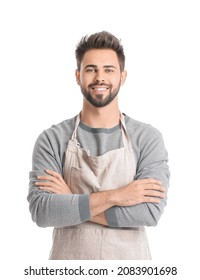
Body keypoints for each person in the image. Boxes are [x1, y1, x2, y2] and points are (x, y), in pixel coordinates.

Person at [27, 31, 170, 260]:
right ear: (78, 76)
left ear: (122, 77)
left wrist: (71, 199)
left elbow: (149, 212)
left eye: (108, 70)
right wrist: (119, 195)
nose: (99, 77)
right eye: (91, 69)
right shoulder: (52, 139)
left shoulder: (147, 138)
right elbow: (43, 211)